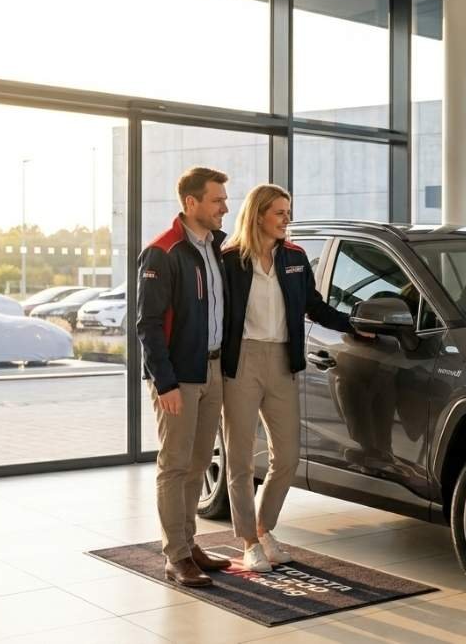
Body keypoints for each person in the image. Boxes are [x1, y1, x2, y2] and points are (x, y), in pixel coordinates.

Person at [219, 184, 367, 572]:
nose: (287, 219)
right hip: (242, 361)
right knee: (238, 458)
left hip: (283, 360)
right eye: (279, 213)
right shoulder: (230, 259)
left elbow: (314, 306)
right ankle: (249, 541)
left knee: (285, 456)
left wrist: (353, 324)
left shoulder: (296, 257)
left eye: (288, 212)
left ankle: (264, 527)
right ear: (258, 215)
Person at [137, 166, 233, 587]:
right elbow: (148, 325)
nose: (224, 208)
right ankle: (175, 556)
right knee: (174, 466)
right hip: (179, 376)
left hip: (212, 369)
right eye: (217, 200)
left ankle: (189, 543)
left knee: (197, 465)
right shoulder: (163, 251)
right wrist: (165, 383)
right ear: (191, 203)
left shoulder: (217, 247)